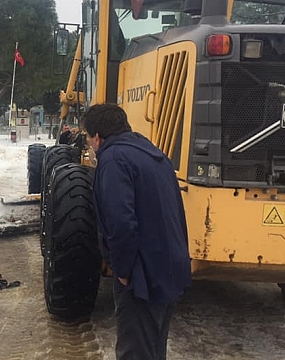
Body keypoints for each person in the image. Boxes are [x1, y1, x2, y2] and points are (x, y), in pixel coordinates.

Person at [82, 104, 191, 360]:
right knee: (154, 348)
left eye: (88, 138)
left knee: (135, 350)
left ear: (97, 137)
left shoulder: (113, 160)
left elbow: (120, 222)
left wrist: (122, 270)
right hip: (169, 266)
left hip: (142, 274)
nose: (89, 144)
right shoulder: (154, 154)